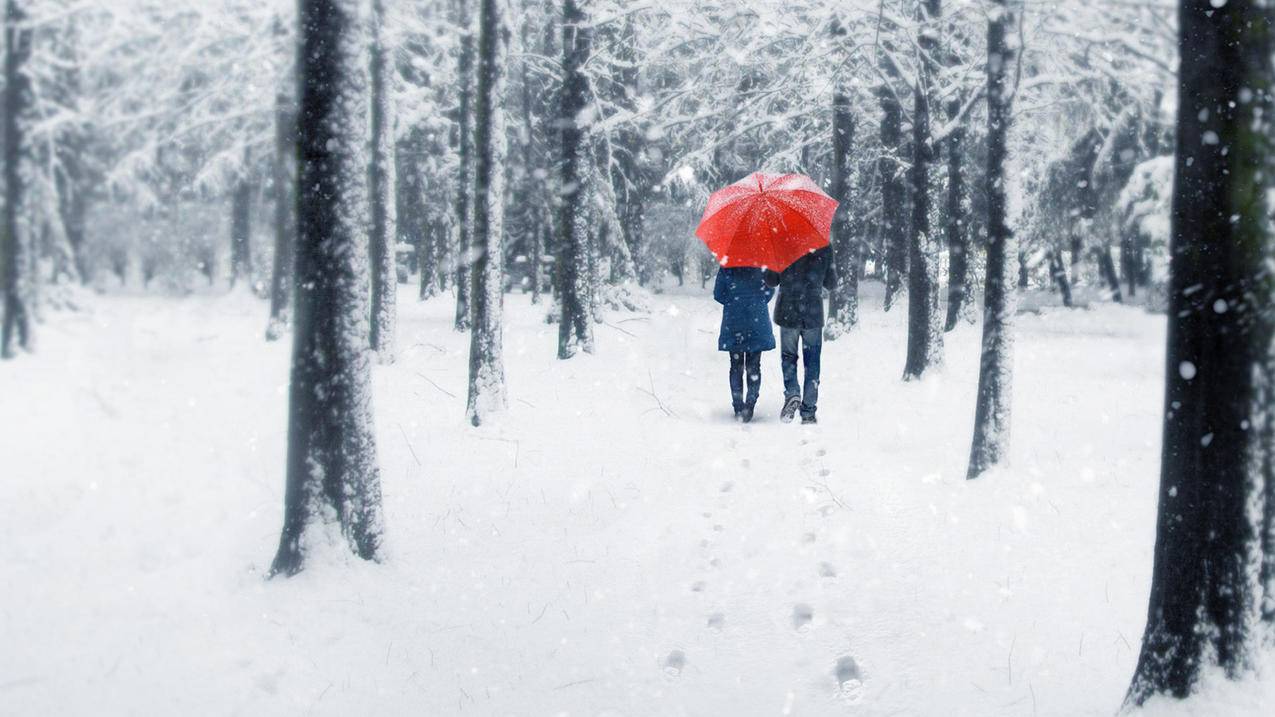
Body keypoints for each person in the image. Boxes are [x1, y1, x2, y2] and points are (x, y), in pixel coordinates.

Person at [766, 245, 836, 424]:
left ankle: (792, 393)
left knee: (788, 356)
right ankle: (809, 411)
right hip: (813, 312)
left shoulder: (781, 243)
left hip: (788, 310)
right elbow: (831, 283)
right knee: (812, 361)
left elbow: (771, 280)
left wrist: (770, 260)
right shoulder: (824, 245)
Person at [713, 265, 776, 423]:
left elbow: (718, 294)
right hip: (757, 320)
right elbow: (769, 292)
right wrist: (756, 301)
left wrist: (734, 299)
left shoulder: (727, 265)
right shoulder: (762, 264)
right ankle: (750, 405)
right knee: (754, 366)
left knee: (736, 365)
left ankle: (738, 406)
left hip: (734, 320)